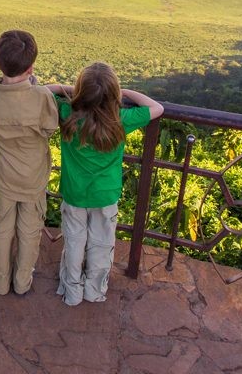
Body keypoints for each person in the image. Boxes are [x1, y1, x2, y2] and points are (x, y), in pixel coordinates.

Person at [46, 63, 163, 306]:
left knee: (74, 241)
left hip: (74, 193)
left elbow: (45, 90)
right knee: (101, 244)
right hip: (105, 195)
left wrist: (72, 90)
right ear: (113, 96)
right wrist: (126, 93)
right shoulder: (121, 119)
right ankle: (94, 291)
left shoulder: (67, 112)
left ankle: (72, 291)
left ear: (82, 93)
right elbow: (157, 108)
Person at [0, 30, 59, 296]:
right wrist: (39, 86)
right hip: (33, 179)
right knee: (29, 231)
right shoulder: (41, 97)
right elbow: (50, 128)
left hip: (4, 178)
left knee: (1, 231)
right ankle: (22, 282)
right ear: (31, 66)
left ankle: (0, 282)